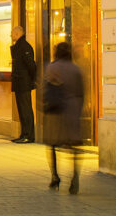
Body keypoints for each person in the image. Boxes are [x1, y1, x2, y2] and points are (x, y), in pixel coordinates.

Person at [43, 41, 86, 193]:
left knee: (53, 144)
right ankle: (75, 177)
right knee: (74, 145)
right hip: (73, 109)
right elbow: (82, 91)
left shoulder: (52, 67)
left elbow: (47, 90)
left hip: (57, 111)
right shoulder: (76, 69)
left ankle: (55, 176)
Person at [10, 25, 38, 143]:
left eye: (12, 33)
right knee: (22, 110)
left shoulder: (24, 47)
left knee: (25, 109)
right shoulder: (19, 46)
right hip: (20, 82)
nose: (11, 35)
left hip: (23, 82)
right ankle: (24, 134)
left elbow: (31, 65)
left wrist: (32, 80)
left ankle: (28, 135)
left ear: (17, 34)